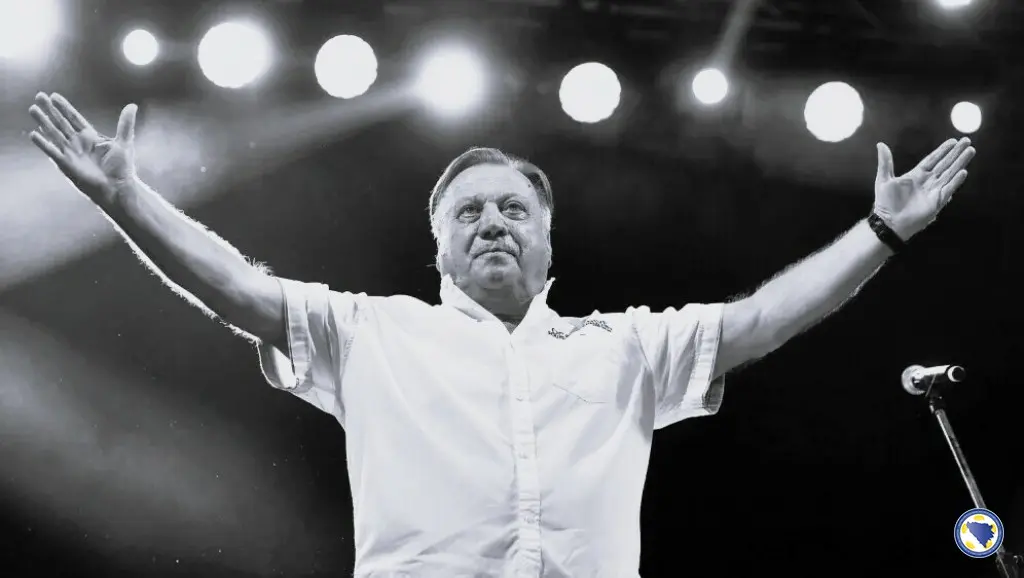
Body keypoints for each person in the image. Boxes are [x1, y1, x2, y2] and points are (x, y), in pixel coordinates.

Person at [28, 92, 975, 577]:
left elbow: (762, 319)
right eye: (469, 211)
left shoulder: (624, 347)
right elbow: (237, 288)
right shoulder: (374, 334)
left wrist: (881, 231)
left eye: (514, 208)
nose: (492, 223)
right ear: (438, 245)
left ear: (547, 239)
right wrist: (126, 199)